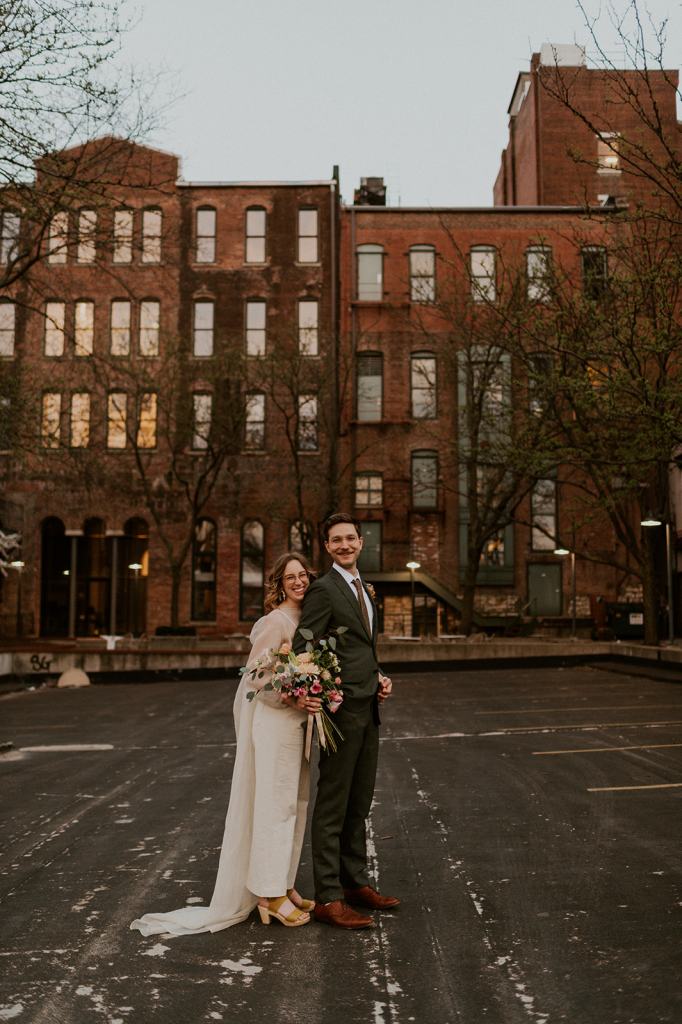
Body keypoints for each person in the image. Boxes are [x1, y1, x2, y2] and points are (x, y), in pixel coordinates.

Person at [130, 552, 321, 936]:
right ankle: (268, 897)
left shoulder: (306, 619)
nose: (299, 582)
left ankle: (282, 882)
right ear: (279, 585)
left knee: (293, 804)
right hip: (275, 725)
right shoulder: (274, 621)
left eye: (303, 575)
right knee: (273, 808)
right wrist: (292, 696)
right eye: (291, 578)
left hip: (297, 725)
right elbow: (255, 677)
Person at [293, 513, 400, 929]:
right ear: (326, 546)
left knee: (359, 801)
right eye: (336, 540)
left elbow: (361, 647)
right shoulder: (323, 589)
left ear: (361, 541)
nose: (344, 545)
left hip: (368, 706)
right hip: (339, 713)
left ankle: (355, 883)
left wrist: (379, 677)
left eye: (350, 538)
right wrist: (319, 694)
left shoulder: (365, 587)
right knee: (334, 806)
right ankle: (329, 896)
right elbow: (305, 647)